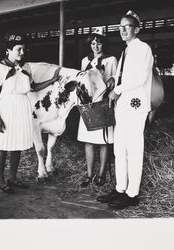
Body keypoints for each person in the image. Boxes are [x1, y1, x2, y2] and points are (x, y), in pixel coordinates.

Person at [97, 11, 154, 209]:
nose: (122, 30)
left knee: (134, 150)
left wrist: (117, 90)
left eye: (126, 26)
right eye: (120, 27)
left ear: (136, 29)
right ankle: (120, 188)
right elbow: (124, 75)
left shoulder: (142, 49)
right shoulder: (126, 50)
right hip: (123, 107)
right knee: (119, 149)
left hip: (135, 106)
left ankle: (132, 194)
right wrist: (115, 81)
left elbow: (139, 77)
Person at [0, 34, 60, 194]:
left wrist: (51, 80)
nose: (22, 52)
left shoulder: (26, 67)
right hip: (7, 108)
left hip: (23, 106)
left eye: (23, 49)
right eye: (18, 49)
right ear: (8, 50)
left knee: (17, 146)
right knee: (2, 146)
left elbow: (33, 87)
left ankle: (12, 178)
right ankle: (0, 181)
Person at [77, 27, 117, 187]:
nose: (95, 46)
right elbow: (82, 81)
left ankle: (100, 174)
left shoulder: (111, 60)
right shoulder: (85, 61)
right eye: (93, 43)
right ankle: (89, 174)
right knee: (88, 141)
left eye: (99, 43)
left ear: (103, 44)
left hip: (103, 103)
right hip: (89, 104)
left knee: (103, 141)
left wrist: (110, 81)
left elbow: (115, 79)